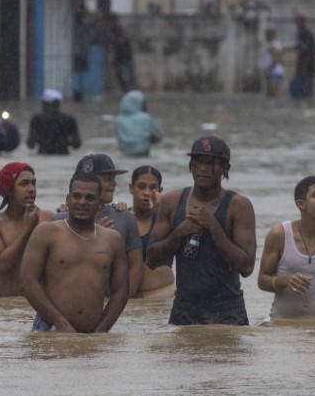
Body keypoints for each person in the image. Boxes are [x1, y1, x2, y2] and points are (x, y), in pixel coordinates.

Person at [146, 136, 257, 326]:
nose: (204, 168)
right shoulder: (172, 201)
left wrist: (214, 228)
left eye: (212, 163)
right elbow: (151, 259)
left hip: (227, 311)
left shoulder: (238, 206)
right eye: (198, 162)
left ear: (225, 168)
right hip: (184, 310)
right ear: (191, 166)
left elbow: (246, 267)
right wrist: (179, 233)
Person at [20, 172, 129, 333]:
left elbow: (121, 291)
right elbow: (27, 281)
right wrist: (60, 323)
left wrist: (101, 331)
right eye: (76, 196)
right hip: (50, 329)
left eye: (89, 198)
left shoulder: (113, 239)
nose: (82, 202)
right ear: (67, 199)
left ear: (100, 204)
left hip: (93, 331)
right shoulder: (47, 232)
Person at [257, 176, 315, 320]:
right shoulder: (279, 234)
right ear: (301, 204)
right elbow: (262, 281)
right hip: (280, 326)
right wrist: (285, 281)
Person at [56, 153, 144, 297]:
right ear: (88, 181)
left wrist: (125, 301)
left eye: (114, 179)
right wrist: (93, 235)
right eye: (108, 179)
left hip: (112, 302)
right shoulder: (59, 220)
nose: (114, 183)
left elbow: (135, 267)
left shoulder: (125, 218)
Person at [0, 162, 54, 297]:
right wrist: (28, 230)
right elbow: (2, 266)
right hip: (6, 304)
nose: (31, 189)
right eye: (24, 184)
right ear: (9, 190)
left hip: (39, 305)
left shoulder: (49, 218)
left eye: (33, 183)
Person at [128, 165, 174, 298]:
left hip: (162, 290)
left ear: (160, 191)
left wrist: (162, 208)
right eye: (141, 187)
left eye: (153, 188)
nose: (147, 193)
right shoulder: (122, 218)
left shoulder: (169, 220)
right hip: (130, 292)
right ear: (131, 188)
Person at [25, 88, 81, 155]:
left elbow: (31, 145)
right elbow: (77, 144)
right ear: (58, 104)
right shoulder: (70, 119)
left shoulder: (37, 119)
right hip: (64, 155)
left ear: (45, 103)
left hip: (43, 155)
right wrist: (65, 142)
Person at [114, 90, 163, 159]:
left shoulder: (118, 120)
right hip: (143, 154)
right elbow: (158, 137)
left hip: (125, 154)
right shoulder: (146, 117)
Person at [289, 15, 315, 101]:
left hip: (308, 67)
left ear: (303, 23)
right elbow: (298, 47)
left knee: (307, 90)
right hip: (300, 65)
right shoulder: (300, 35)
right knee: (298, 90)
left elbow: (310, 52)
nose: (297, 24)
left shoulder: (309, 36)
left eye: (299, 22)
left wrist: (305, 65)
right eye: (296, 22)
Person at [110, 16, 135, 92]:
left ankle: (127, 89)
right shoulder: (118, 41)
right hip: (121, 60)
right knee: (121, 76)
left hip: (124, 60)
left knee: (126, 76)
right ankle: (126, 89)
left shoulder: (125, 41)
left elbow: (127, 51)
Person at [261, 28, 285, 98]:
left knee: (272, 93)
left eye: (266, 35)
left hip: (274, 71)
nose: (265, 37)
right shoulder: (276, 44)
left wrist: (269, 69)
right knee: (273, 93)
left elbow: (275, 58)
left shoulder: (272, 45)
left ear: (270, 35)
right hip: (276, 71)